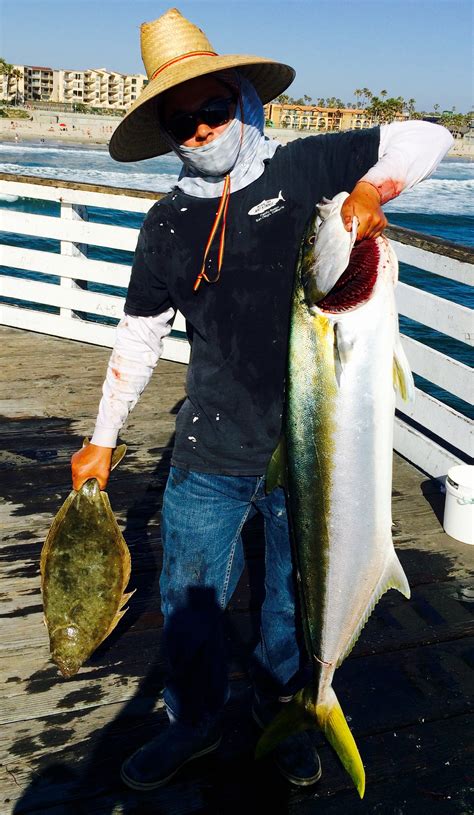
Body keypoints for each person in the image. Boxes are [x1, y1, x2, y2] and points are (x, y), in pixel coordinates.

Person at [71, 8, 453, 793]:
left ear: (243, 100)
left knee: (289, 601)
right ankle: (195, 723)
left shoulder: (306, 171)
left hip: (311, 457)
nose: (203, 128)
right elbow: (139, 335)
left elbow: (430, 138)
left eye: (214, 108)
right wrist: (104, 437)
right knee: (188, 600)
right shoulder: (167, 222)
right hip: (210, 449)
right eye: (183, 119)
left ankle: (290, 709)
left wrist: (370, 190)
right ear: (166, 129)